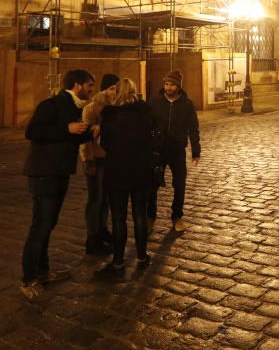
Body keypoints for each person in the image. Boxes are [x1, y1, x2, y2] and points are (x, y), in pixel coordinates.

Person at [20, 69, 94, 300]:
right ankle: (28, 279)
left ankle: (43, 271)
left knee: (49, 223)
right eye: (89, 85)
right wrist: (67, 128)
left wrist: (88, 132)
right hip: (44, 172)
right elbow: (32, 131)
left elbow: (71, 137)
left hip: (59, 172)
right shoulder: (51, 104)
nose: (92, 90)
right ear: (77, 85)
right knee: (40, 225)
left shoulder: (75, 107)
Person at [97, 79, 154, 275]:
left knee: (118, 218)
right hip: (140, 170)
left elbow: (104, 144)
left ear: (117, 93)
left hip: (117, 170)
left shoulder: (110, 116)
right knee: (139, 214)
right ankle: (142, 256)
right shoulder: (145, 113)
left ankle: (118, 262)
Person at [148, 70, 200, 233]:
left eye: (171, 84)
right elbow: (147, 125)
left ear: (178, 86)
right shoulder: (155, 103)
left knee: (179, 184)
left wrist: (196, 150)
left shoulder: (187, 104)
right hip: (158, 150)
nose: (168, 87)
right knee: (153, 184)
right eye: (166, 84)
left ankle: (177, 216)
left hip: (177, 150)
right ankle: (150, 216)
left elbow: (193, 128)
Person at [80, 73, 118, 255]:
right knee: (96, 199)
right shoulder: (92, 108)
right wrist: (88, 161)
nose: (114, 92)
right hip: (96, 159)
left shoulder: (116, 108)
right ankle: (92, 237)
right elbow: (84, 139)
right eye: (111, 88)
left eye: (116, 89)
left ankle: (102, 230)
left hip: (110, 159)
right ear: (104, 89)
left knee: (106, 199)